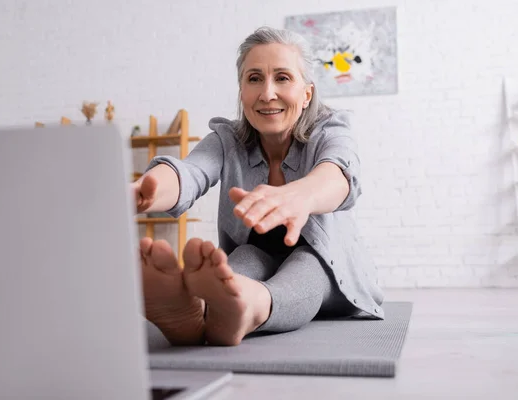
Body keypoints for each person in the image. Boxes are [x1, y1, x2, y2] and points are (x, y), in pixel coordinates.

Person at [133, 26, 384, 347]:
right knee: (244, 259)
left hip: (328, 267)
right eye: (254, 79)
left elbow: (339, 173)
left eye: (282, 78)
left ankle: (251, 307)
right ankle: (195, 313)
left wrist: (301, 196)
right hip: (258, 257)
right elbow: (190, 173)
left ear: (306, 93)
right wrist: (145, 190)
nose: (267, 93)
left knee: (307, 264)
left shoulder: (331, 129)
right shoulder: (227, 140)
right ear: (242, 91)